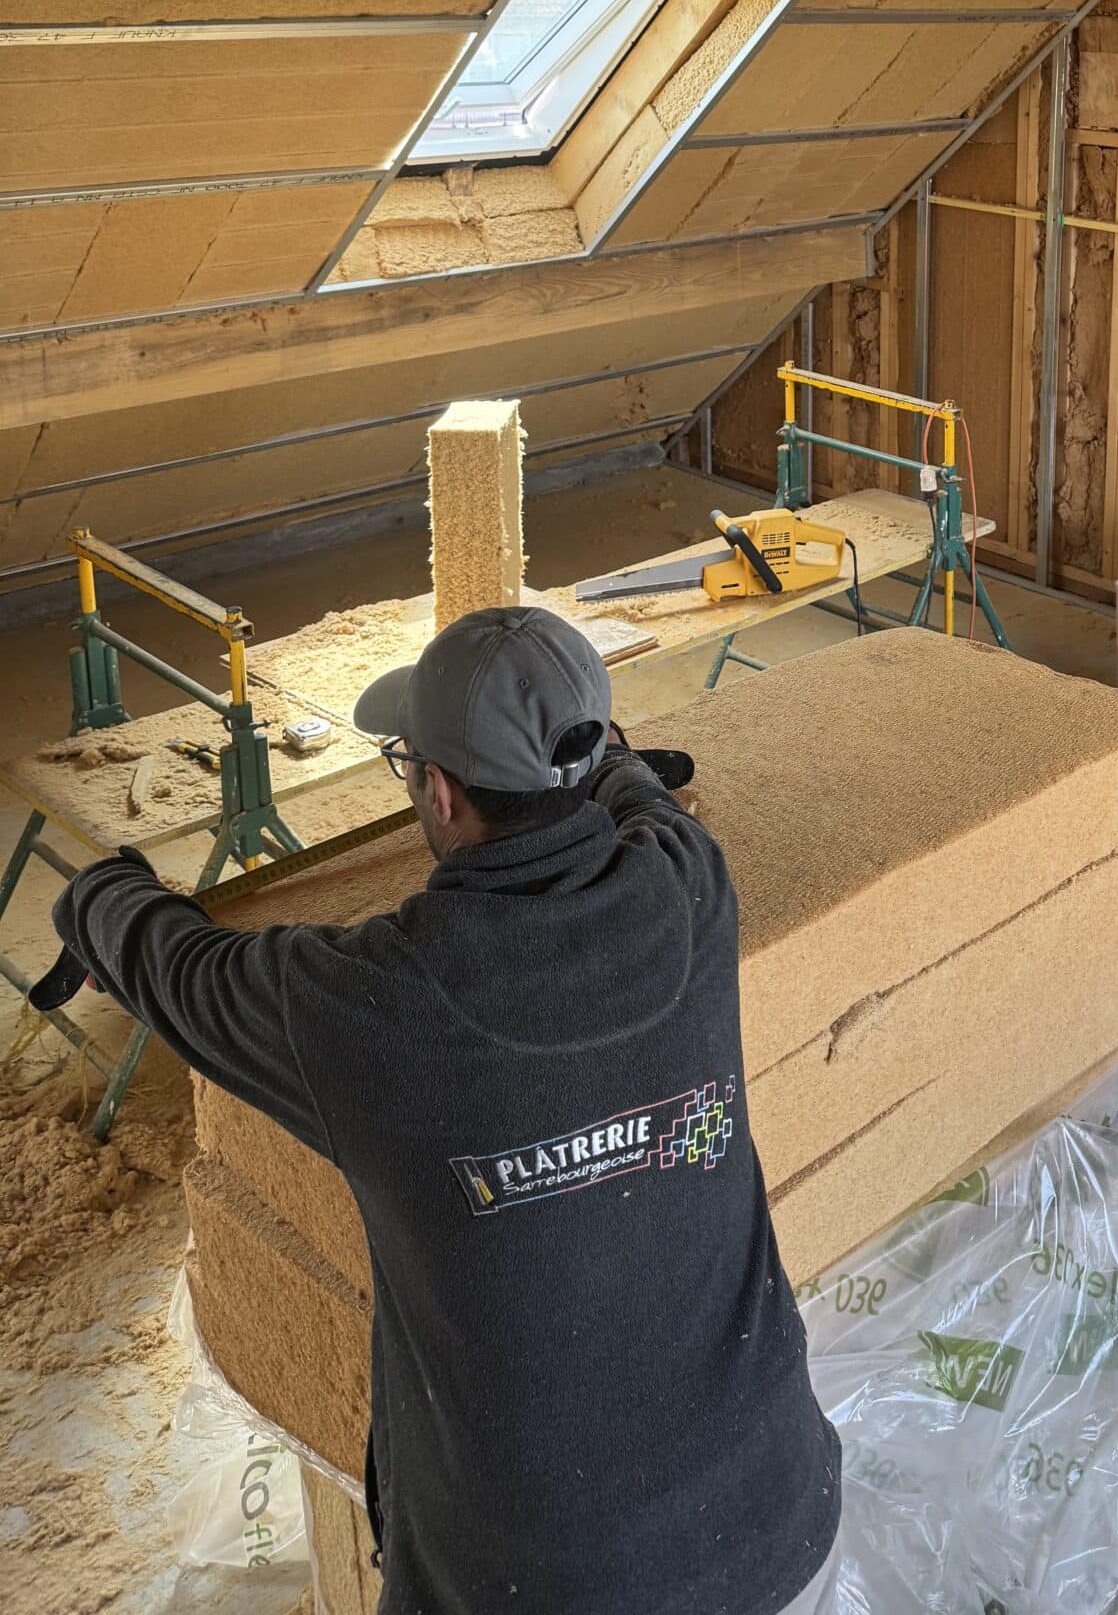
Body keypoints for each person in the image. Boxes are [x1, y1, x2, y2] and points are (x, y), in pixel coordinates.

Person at [46, 604, 841, 1615]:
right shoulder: (690, 885)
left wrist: (99, 896)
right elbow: (642, 797)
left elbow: (183, 971)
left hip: (530, 1593)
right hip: (777, 1520)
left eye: (410, 765)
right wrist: (608, 762)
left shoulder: (372, 1008)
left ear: (444, 793)